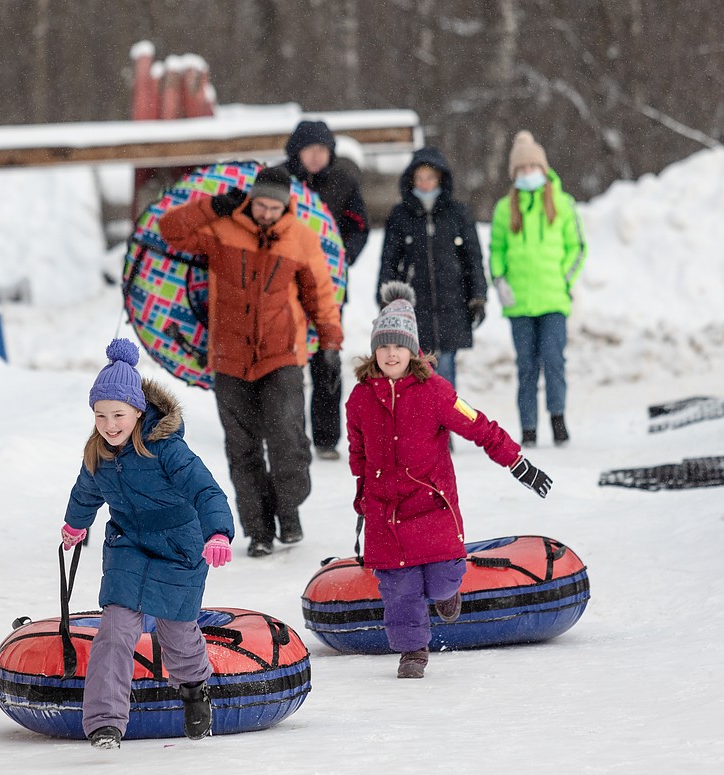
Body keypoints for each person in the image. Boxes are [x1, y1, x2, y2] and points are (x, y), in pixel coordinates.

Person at [345, 284, 553, 679]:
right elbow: (359, 453)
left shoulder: (435, 393)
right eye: (384, 346)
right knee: (400, 591)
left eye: (399, 346)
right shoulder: (359, 398)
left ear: (413, 351)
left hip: (432, 507)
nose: (391, 353)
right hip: (386, 512)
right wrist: (362, 494)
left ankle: (447, 593)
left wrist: (518, 463)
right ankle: (413, 652)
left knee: (441, 581)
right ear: (374, 351)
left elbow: (480, 427)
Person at [160, 166, 343, 557]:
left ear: (285, 206)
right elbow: (170, 230)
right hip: (228, 358)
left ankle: (287, 509)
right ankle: (258, 530)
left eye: (273, 207)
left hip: (282, 355)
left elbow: (320, 293)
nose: (265, 213)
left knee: (288, 440)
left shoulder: (301, 238)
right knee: (242, 448)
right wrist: (211, 207)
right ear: (250, 199)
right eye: (259, 205)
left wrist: (330, 341)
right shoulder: (222, 229)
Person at [61, 339, 235, 750]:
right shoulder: (99, 452)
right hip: (129, 544)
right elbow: (86, 492)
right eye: (100, 415)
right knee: (116, 627)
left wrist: (218, 533)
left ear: (138, 411)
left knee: (176, 631)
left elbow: (207, 491)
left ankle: (193, 688)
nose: (109, 424)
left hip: (179, 545)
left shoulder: (167, 449)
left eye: (118, 414)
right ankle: (105, 723)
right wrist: (75, 525)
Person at [489, 131, 587, 447]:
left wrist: (564, 280)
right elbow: (497, 249)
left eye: (532, 168)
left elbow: (578, 247)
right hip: (519, 303)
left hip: (553, 299)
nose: (527, 174)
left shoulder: (562, 203)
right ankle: (528, 428)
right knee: (526, 367)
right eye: (521, 169)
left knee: (554, 362)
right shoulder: (505, 209)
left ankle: (558, 419)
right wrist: (500, 280)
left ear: (543, 170)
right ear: (514, 174)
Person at [284, 120, 370, 460]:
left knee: (327, 361)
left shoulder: (344, 183)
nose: (317, 157)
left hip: (328, 292)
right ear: (296, 152)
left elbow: (360, 226)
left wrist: (341, 258)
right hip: (284, 290)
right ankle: (287, 437)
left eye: (323, 150)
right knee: (286, 365)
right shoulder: (280, 181)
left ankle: (325, 438)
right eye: (310, 150)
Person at [377, 146, 489, 390]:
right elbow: (389, 261)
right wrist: (386, 301)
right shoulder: (401, 216)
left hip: (452, 305)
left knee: (445, 375)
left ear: (440, 179)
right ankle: (424, 428)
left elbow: (473, 258)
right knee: (418, 376)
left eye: (430, 177)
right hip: (415, 308)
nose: (425, 183)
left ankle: (444, 428)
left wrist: (478, 297)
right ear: (411, 180)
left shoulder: (457, 213)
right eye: (419, 178)